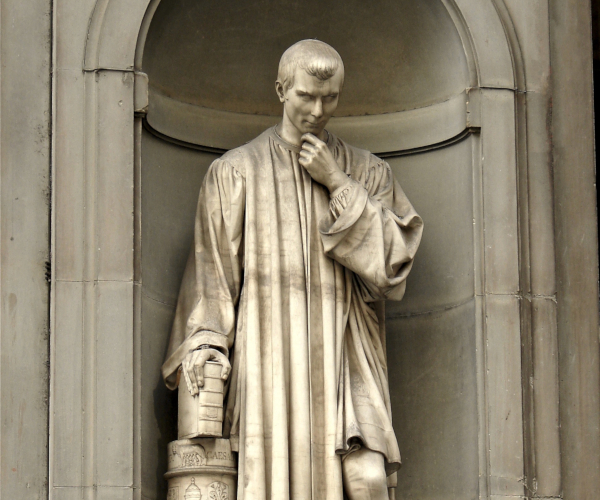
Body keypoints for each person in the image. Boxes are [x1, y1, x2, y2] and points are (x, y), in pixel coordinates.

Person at [162, 39, 423, 500]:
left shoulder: (369, 172)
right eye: (306, 96)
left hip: (347, 352)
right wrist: (206, 343)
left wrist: (336, 181)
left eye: (330, 98)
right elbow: (213, 280)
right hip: (268, 355)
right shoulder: (236, 172)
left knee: (367, 478)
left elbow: (391, 263)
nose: (318, 111)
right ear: (281, 90)